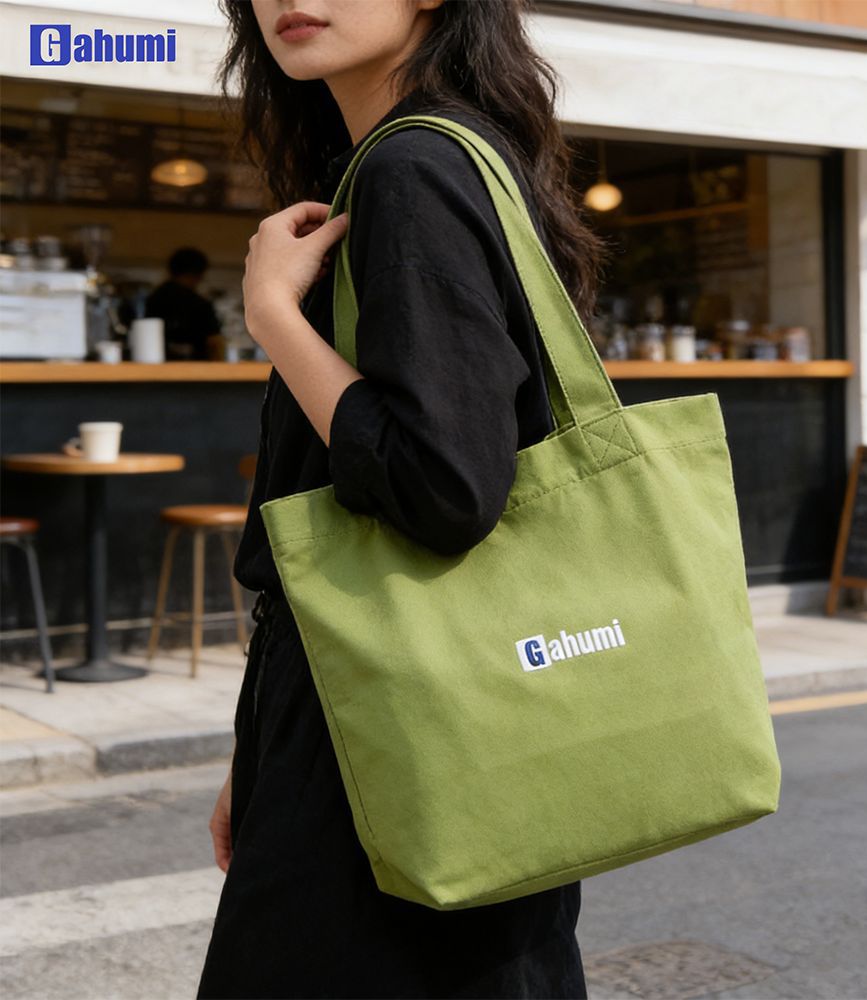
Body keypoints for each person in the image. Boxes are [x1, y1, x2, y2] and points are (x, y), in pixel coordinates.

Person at [197, 2, 609, 997]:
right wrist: (259, 742)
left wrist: (272, 316)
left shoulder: (411, 169)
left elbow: (444, 485)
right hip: (417, 715)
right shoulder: (442, 157)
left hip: (395, 732)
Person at [144, 247, 223, 360]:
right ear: (198, 275)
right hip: (197, 365)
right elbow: (214, 341)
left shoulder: (155, 298)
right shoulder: (199, 303)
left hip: (156, 363)